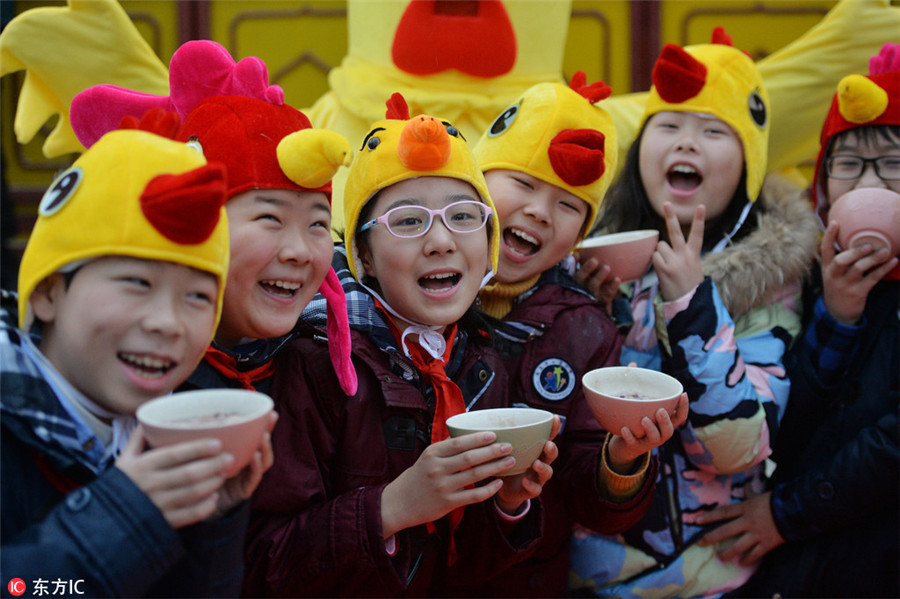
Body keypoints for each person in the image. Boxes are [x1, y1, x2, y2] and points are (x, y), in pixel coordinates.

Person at [244, 93, 558, 597]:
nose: (441, 241)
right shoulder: (315, 361)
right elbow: (262, 565)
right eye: (408, 221)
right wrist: (392, 507)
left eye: (463, 216)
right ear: (363, 256)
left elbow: (466, 571)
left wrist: (507, 503)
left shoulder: (479, 361)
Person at [567, 28, 820, 598]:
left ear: (748, 164)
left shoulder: (769, 283)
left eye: (713, 131)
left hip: (704, 580)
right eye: (669, 126)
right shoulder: (582, 255)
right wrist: (584, 313)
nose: (687, 144)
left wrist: (691, 304)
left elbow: (736, 448)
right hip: (584, 575)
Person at [435, 73, 690, 598]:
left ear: (582, 234)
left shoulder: (585, 327)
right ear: (477, 183)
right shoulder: (415, 295)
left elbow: (589, 500)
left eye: (569, 205)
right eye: (523, 184)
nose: (539, 211)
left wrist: (623, 459)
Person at [1, 127, 276, 597]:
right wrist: (125, 515)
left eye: (197, 296)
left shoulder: (169, 429)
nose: (168, 324)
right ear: (47, 292)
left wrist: (212, 520)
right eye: (137, 282)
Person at [694, 42, 900, 598]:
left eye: (893, 165)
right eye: (849, 165)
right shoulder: (802, 275)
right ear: (824, 189)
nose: (870, 184)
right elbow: (785, 424)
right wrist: (838, 315)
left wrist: (785, 513)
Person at [69, 40, 358, 397]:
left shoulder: (318, 371)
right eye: (270, 217)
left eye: (317, 224)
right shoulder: (122, 377)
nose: (299, 252)